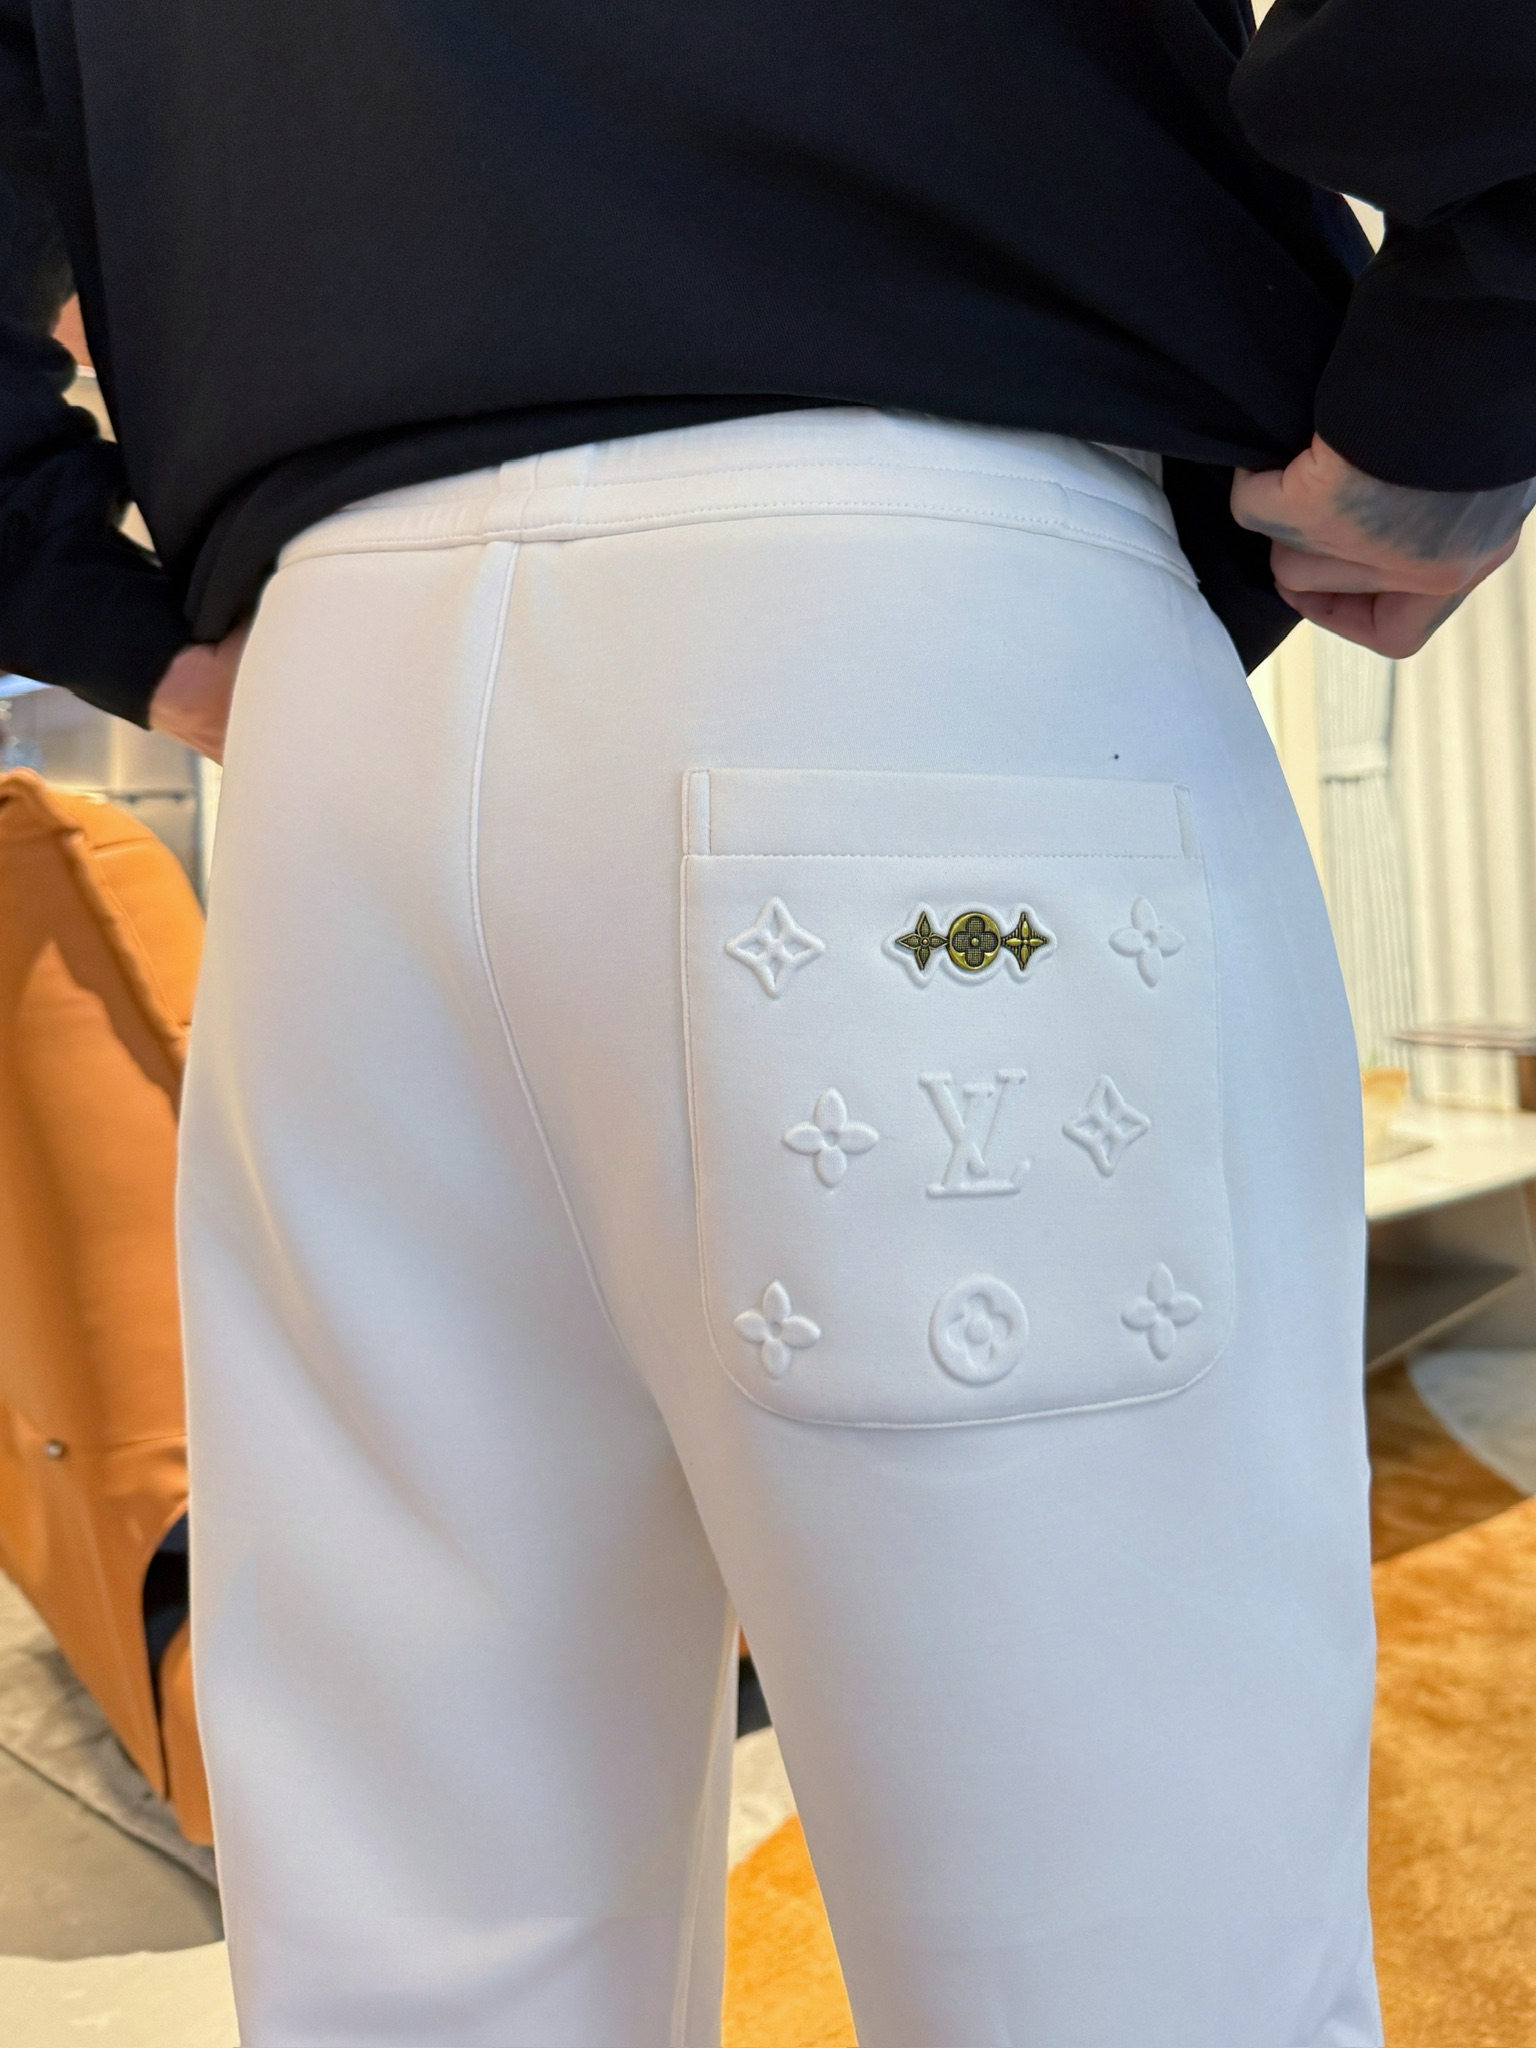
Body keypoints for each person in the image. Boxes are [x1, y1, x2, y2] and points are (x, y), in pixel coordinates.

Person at [1, 2, 1532, 2042]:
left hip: (331, 711)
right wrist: (1478, 335)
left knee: (431, 1968)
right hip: (922, 632)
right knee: (1128, 1967)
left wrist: (98, 603)